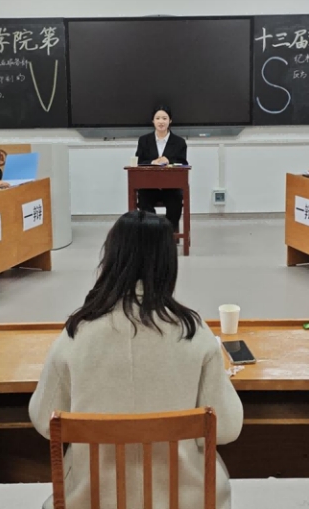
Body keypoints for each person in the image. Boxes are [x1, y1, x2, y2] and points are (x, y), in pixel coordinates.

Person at [30, 211, 243, 509]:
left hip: (92, 501)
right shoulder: (193, 332)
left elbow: (44, 420)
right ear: (168, 264)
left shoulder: (78, 333)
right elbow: (228, 428)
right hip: (186, 500)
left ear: (111, 259)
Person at [134, 105, 188, 232]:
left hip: (171, 187)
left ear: (170, 121)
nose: (161, 122)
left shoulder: (179, 142)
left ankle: (168, 233)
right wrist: (153, 162)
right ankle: (152, 233)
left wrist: (169, 161)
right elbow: (139, 162)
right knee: (144, 202)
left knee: (175, 202)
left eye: (164, 118)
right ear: (153, 121)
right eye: (157, 118)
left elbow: (183, 163)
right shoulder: (144, 140)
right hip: (149, 186)